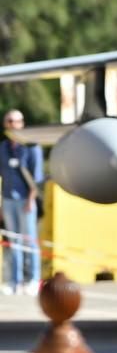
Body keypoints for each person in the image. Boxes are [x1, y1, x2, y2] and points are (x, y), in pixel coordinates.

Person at [0, 109, 44, 296]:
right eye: (9, 121)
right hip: (9, 199)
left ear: (22, 123)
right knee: (13, 241)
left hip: (27, 200)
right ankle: (14, 281)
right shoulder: (2, 148)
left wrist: (31, 200)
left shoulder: (32, 147)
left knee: (29, 242)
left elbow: (38, 177)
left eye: (16, 121)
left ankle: (33, 279)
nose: (13, 125)